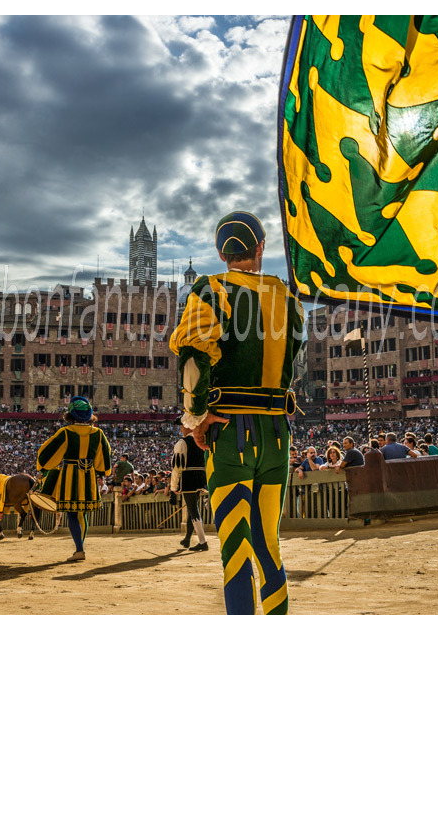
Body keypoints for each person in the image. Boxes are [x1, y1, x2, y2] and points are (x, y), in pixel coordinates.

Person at [169, 209, 303, 615]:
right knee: (269, 547)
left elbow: (193, 356)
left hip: (230, 433)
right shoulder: (286, 295)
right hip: (277, 433)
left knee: (236, 553)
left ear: (221, 252)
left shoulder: (211, 290)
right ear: (260, 247)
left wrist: (195, 417)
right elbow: (293, 357)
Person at [37, 396, 112, 563]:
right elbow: (105, 459)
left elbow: (48, 453)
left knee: (71, 513)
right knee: (82, 512)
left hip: (70, 475)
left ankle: (79, 549)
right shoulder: (98, 434)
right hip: (89, 476)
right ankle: (80, 546)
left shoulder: (65, 432)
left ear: (70, 415)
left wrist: (43, 469)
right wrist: (101, 472)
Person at [171, 421, 209, 552]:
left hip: (188, 478)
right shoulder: (201, 440)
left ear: (187, 426)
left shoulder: (182, 443)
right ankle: (187, 539)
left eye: (182, 426)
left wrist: (173, 487)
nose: (181, 429)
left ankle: (203, 541)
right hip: (200, 477)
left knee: (193, 510)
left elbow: (177, 467)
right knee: (192, 509)